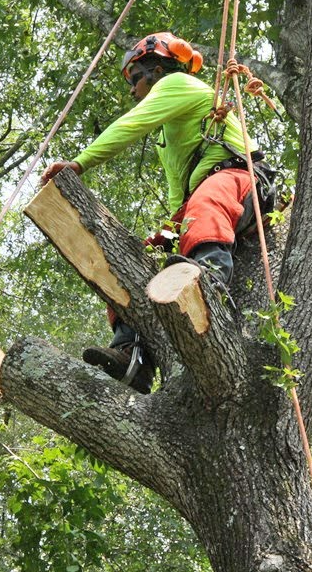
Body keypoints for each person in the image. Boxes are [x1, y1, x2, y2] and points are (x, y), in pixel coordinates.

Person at [41, 32, 267, 394]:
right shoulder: (171, 128)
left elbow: (130, 125)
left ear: (156, 70)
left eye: (135, 79)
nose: (132, 91)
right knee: (144, 252)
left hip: (240, 178)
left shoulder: (178, 83)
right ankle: (132, 353)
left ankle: (209, 289)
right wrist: (170, 232)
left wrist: (80, 164)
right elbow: (182, 193)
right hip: (205, 192)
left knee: (204, 206)